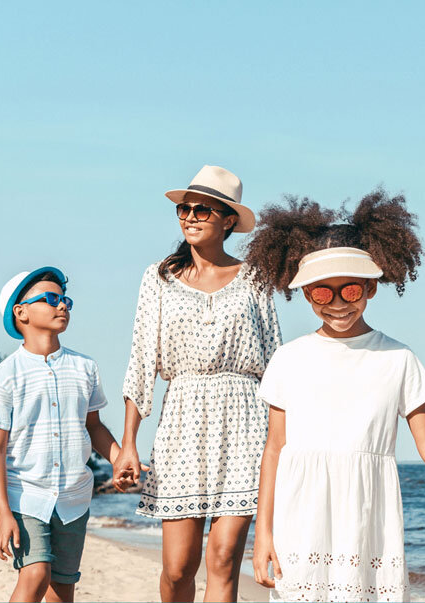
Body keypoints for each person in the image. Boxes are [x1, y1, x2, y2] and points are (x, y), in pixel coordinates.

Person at [243, 191, 425, 602]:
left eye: (351, 291)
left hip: (367, 518)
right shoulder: (289, 358)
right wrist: (262, 533)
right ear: (305, 293)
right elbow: (275, 449)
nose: (337, 303)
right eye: (322, 292)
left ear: (371, 288)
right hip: (301, 518)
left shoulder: (398, 358)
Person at [113, 165, 283, 602]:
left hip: (245, 421)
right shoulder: (160, 278)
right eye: (184, 209)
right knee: (177, 568)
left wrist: (285, 445)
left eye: (201, 210)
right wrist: (129, 441)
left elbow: (277, 367)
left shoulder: (257, 279)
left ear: (228, 220)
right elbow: (140, 361)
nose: (189, 216)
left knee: (224, 559)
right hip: (182, 419)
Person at [0, 267, 130, 602]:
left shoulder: (85, 368)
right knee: (35, 573)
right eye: (50, 299)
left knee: (62, 591)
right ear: (21, 312)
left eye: (65, 301)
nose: (62, 306)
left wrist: (119, 459)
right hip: (25, 495)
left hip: (74, 499)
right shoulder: (4, 377)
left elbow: (94, 426)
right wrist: (3, 513)